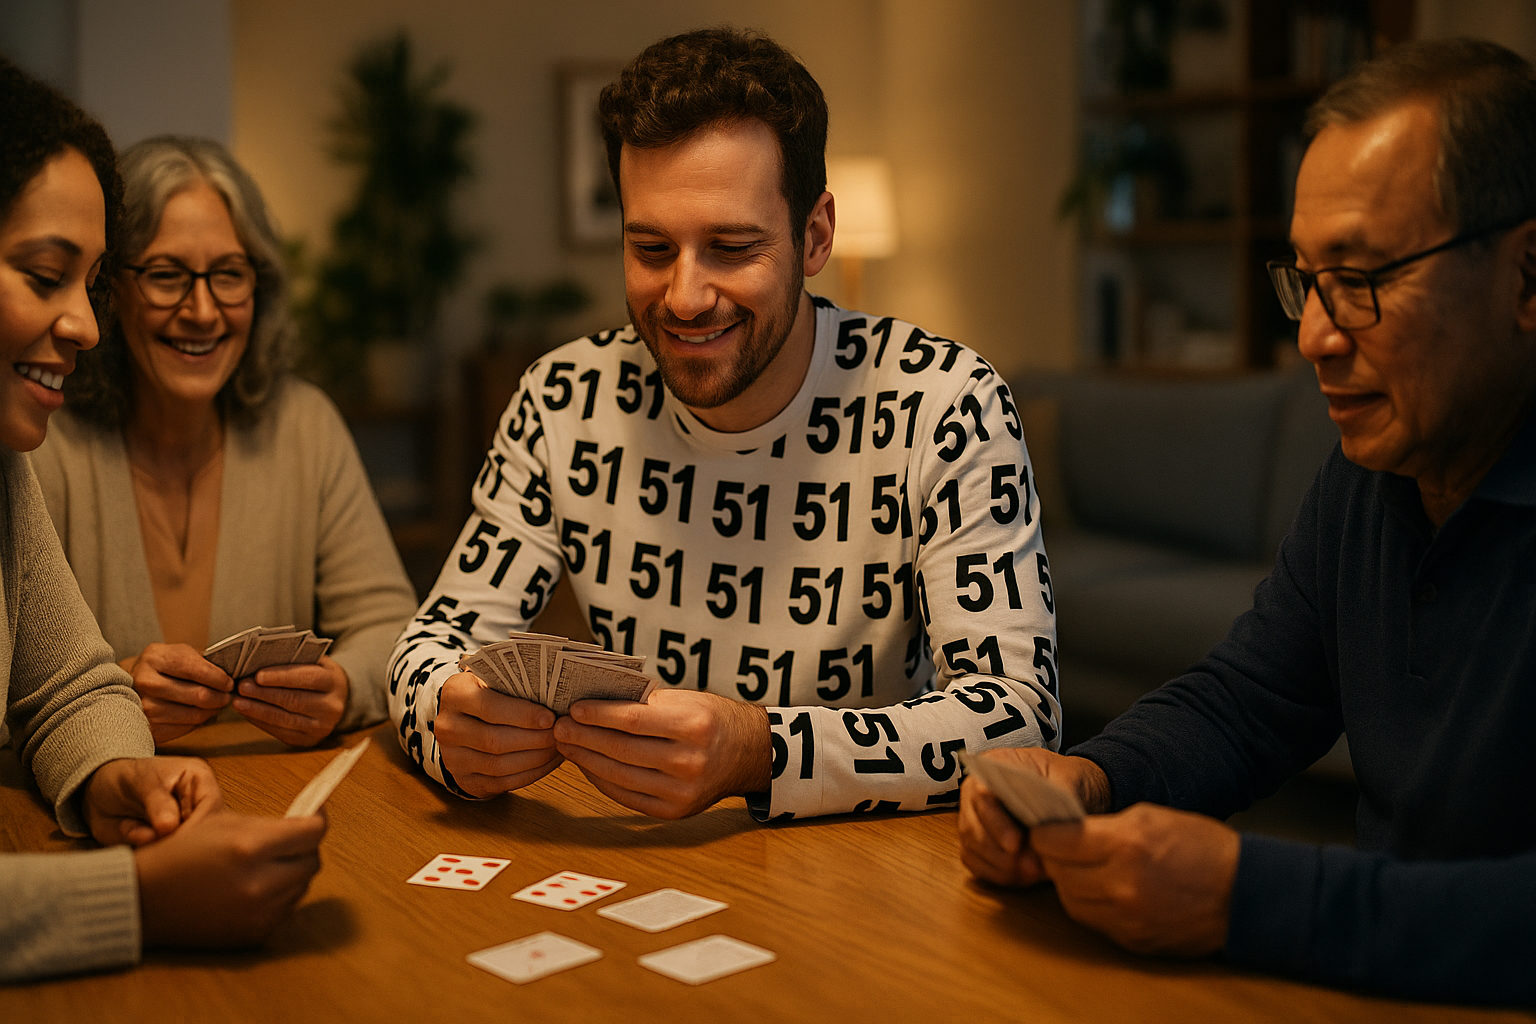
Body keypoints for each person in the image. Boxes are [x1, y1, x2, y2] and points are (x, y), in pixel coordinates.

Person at [957, 38, 1536, 1007]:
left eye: (1362, 277)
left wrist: (1246, 895)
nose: (1313, 334)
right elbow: (1252, 699)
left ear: (1527, 276)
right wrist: (1088, 778)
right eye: (1306, 278)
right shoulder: (1375, 473)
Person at [389, 28, 1058, 820]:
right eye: (649, 248)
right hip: (641, 855)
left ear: (814, 236)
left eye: (731, 247)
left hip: (862, 873)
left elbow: (1018, 719)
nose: (683, 296)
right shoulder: (562, 399)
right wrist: (450, 719)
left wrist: (760, 751)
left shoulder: (947, 404)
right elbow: (426, 644)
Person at [0, 55, 325, 983]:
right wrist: (136, 902)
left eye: (88, 283)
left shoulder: (5, 469)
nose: (84, 326)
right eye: (44, 275)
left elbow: (67, 686)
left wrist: (114, 777)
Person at [33, 135, 418, 748]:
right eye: (166, 275)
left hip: (276, 800)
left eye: (229, 275)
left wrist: (343, 686)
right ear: (109, 289)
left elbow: (393, 629)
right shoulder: (43, 444)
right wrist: (105, 701)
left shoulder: (305, 427)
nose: (204, 311)